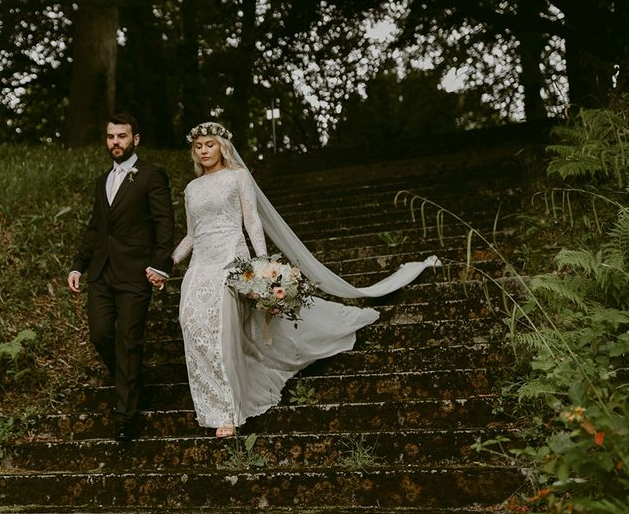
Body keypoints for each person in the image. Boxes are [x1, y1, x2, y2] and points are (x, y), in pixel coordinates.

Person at [170, 122, 440, 438]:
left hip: (231, 260)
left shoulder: (237, 177)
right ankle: (210, 403)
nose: (204, 151)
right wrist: (167, 263)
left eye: (209, 144)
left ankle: (228, 413)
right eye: (199, 146)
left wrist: (262, 266)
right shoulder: (191, 188)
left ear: (222, 147)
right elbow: (190, 235)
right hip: (200, 264)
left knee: (221, 331)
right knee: (191, 324)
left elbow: (252, 222)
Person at [68, 113, 174, 440]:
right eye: (111, 137)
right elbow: (96, 228)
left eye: (122, 137)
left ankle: (125, 417)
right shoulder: (103, 181)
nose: (115, 142)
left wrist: (160, 265)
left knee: (129, 342)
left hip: (134, 273)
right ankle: (131, 379)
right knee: (101, 334)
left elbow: (164, 223)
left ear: (135, 139)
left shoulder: (151, 175)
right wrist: (78, 265)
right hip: (101, 273)